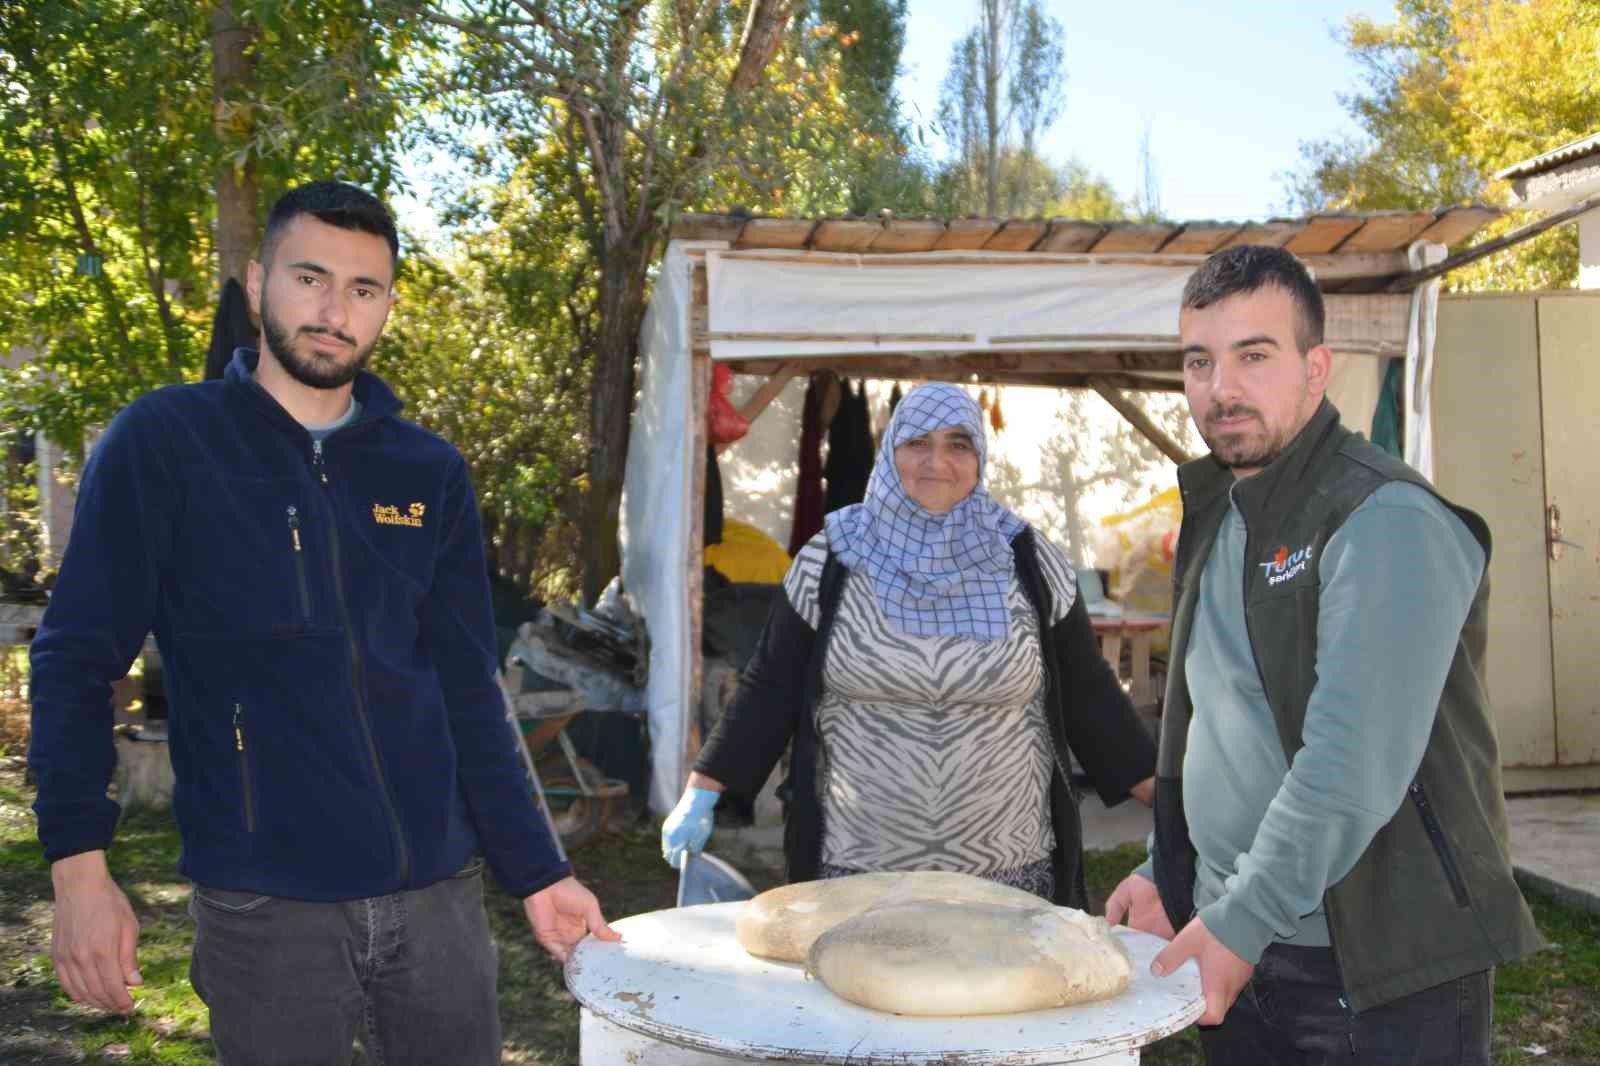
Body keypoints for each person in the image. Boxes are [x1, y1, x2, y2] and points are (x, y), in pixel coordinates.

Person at [28, 181, 618, 1064]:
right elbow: (76, 658)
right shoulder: (166, 443)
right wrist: (79, 867)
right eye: (310, 277)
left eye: (363, 289)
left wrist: (537, 870)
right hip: (266, 903)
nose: (334, 310)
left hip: (437, 898)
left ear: (387, 308)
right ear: (260, 278)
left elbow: (469, 690)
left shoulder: (428, 471)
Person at [1105, 244, 1542, 1064]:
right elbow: (1210, 723)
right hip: (1243, 942)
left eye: (1253, 356)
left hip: (1378, 969)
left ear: (1317, 369)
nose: (1220, 387)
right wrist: (1174, 876)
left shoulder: (1384, 517)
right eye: (1199, 361)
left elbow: (1351, 759)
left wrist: (1238, 917)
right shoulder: (1221, 509)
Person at [662, 382, 1155, 907]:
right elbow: (769, 686)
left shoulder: (1031, 563)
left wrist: (1166, 808)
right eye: (917, 442)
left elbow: (1088, 693)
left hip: (1008, 877)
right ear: (890, 448)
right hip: (855, 872)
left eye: (958, 444)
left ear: (980, 457)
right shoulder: (830, 558)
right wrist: (703, 790)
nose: (936, 461)